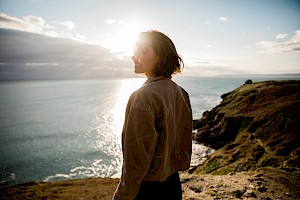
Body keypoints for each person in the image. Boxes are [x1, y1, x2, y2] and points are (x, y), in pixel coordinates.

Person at [113, 30, 193, 200]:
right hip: (173, 185)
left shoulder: (143, 96)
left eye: (142, 51)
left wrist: (122, 196)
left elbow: (136, 159)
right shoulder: (181, 93)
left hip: (147, 190)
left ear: (161, 55)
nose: (134, 57)